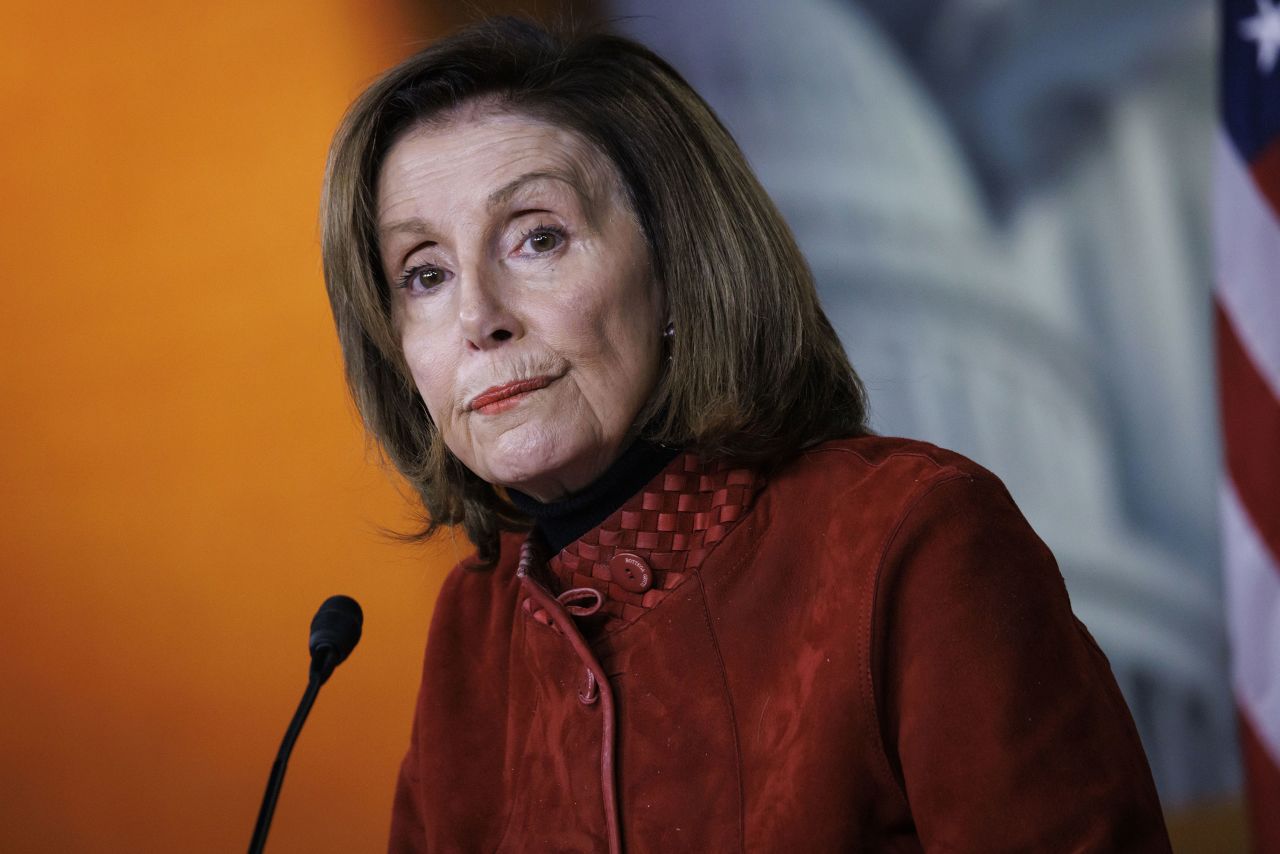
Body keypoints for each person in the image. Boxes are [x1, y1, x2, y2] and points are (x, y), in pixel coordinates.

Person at [320, 17, 1171, 853]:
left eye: (538, 238)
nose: (478, 317)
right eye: (424, 274)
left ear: (678, 268)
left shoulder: (919, 539)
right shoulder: (475, 626)